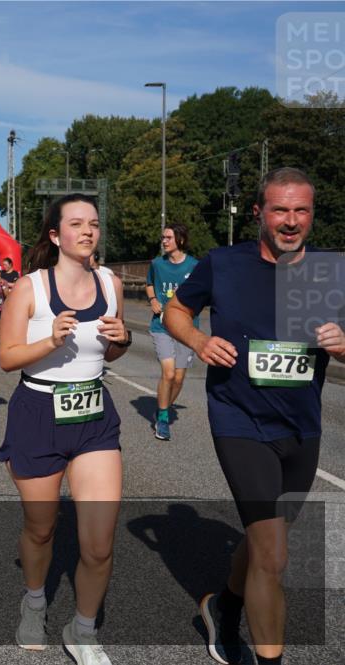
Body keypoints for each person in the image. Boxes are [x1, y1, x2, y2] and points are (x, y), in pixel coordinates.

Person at [165, 168, 344, 665]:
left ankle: (223, 604)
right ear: (259, 212)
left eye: (301, 210)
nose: (291, 221)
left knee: (267, 538)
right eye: (280, 210)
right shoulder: (223, 264)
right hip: (239, 420)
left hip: (302, 427)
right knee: (274, 556)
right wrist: (199, 340)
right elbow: (174, 312)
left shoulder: (331, 273)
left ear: (312, 214)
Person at [0, 193, 130, 664]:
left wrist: (123, 341)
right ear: (56, 235)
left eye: (93, 223)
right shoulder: (29, 288)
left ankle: (84, 629)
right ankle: (35, 601)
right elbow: (7, 357)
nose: (88, 231)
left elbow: (110, 352)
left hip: (94, 418)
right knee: (41, 530)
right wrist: (48, 341)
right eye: (76, 224)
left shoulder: (110, 283)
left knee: (98, 543)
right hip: (37, 414)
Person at [145, 223, 199, 441]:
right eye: (163, 237)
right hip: (162, 326)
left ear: (181, 240)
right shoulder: (157, 264)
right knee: (168, 373)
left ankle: (162, 406)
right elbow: (149, 283)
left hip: (187, 328)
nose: (164, 241)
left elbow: (203, 292)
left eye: (168, 237)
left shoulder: (195, 266)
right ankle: (164, 419)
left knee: (178, 378)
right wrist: (153, 299)